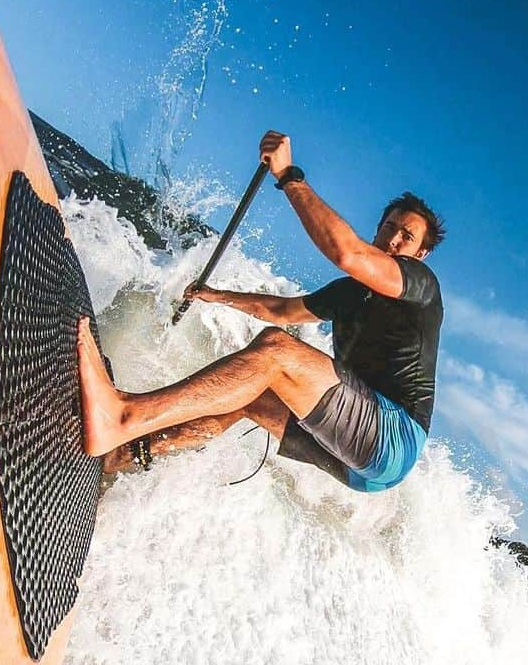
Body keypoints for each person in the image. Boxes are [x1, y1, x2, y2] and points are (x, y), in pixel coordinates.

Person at [77, 130, 445, 493]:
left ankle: (125, 415)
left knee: (276, 350)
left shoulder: (421, 285)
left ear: (421, 254)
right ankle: (123, 455)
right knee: (248, 395)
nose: (393, 239)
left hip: (392, 438)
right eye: (389, 227)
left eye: (406, 236)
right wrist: (216, 295)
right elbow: (281, 309)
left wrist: (288, 176)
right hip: (364, 472)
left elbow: (348, 254)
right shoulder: (350, 295)